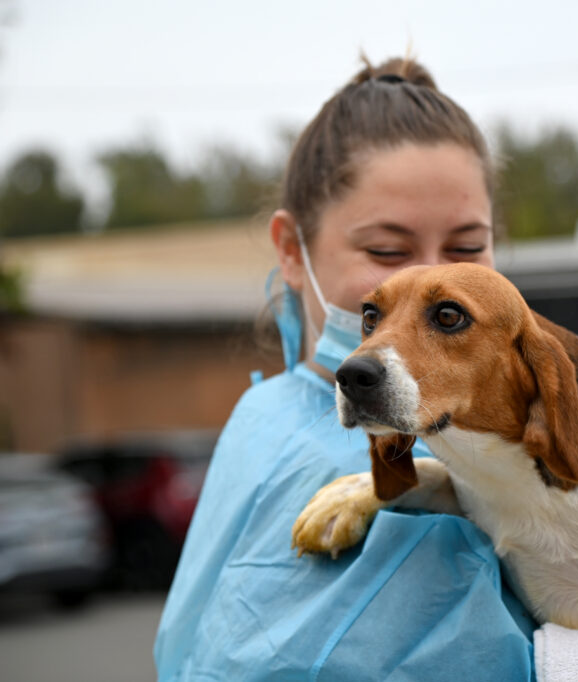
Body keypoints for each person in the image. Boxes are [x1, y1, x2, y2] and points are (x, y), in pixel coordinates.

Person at [154, 56, 537, 681]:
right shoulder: (395, 474)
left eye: (468, 249)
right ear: (289, 249)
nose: (431, 280)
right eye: (388, 251)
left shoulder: (266, 413)